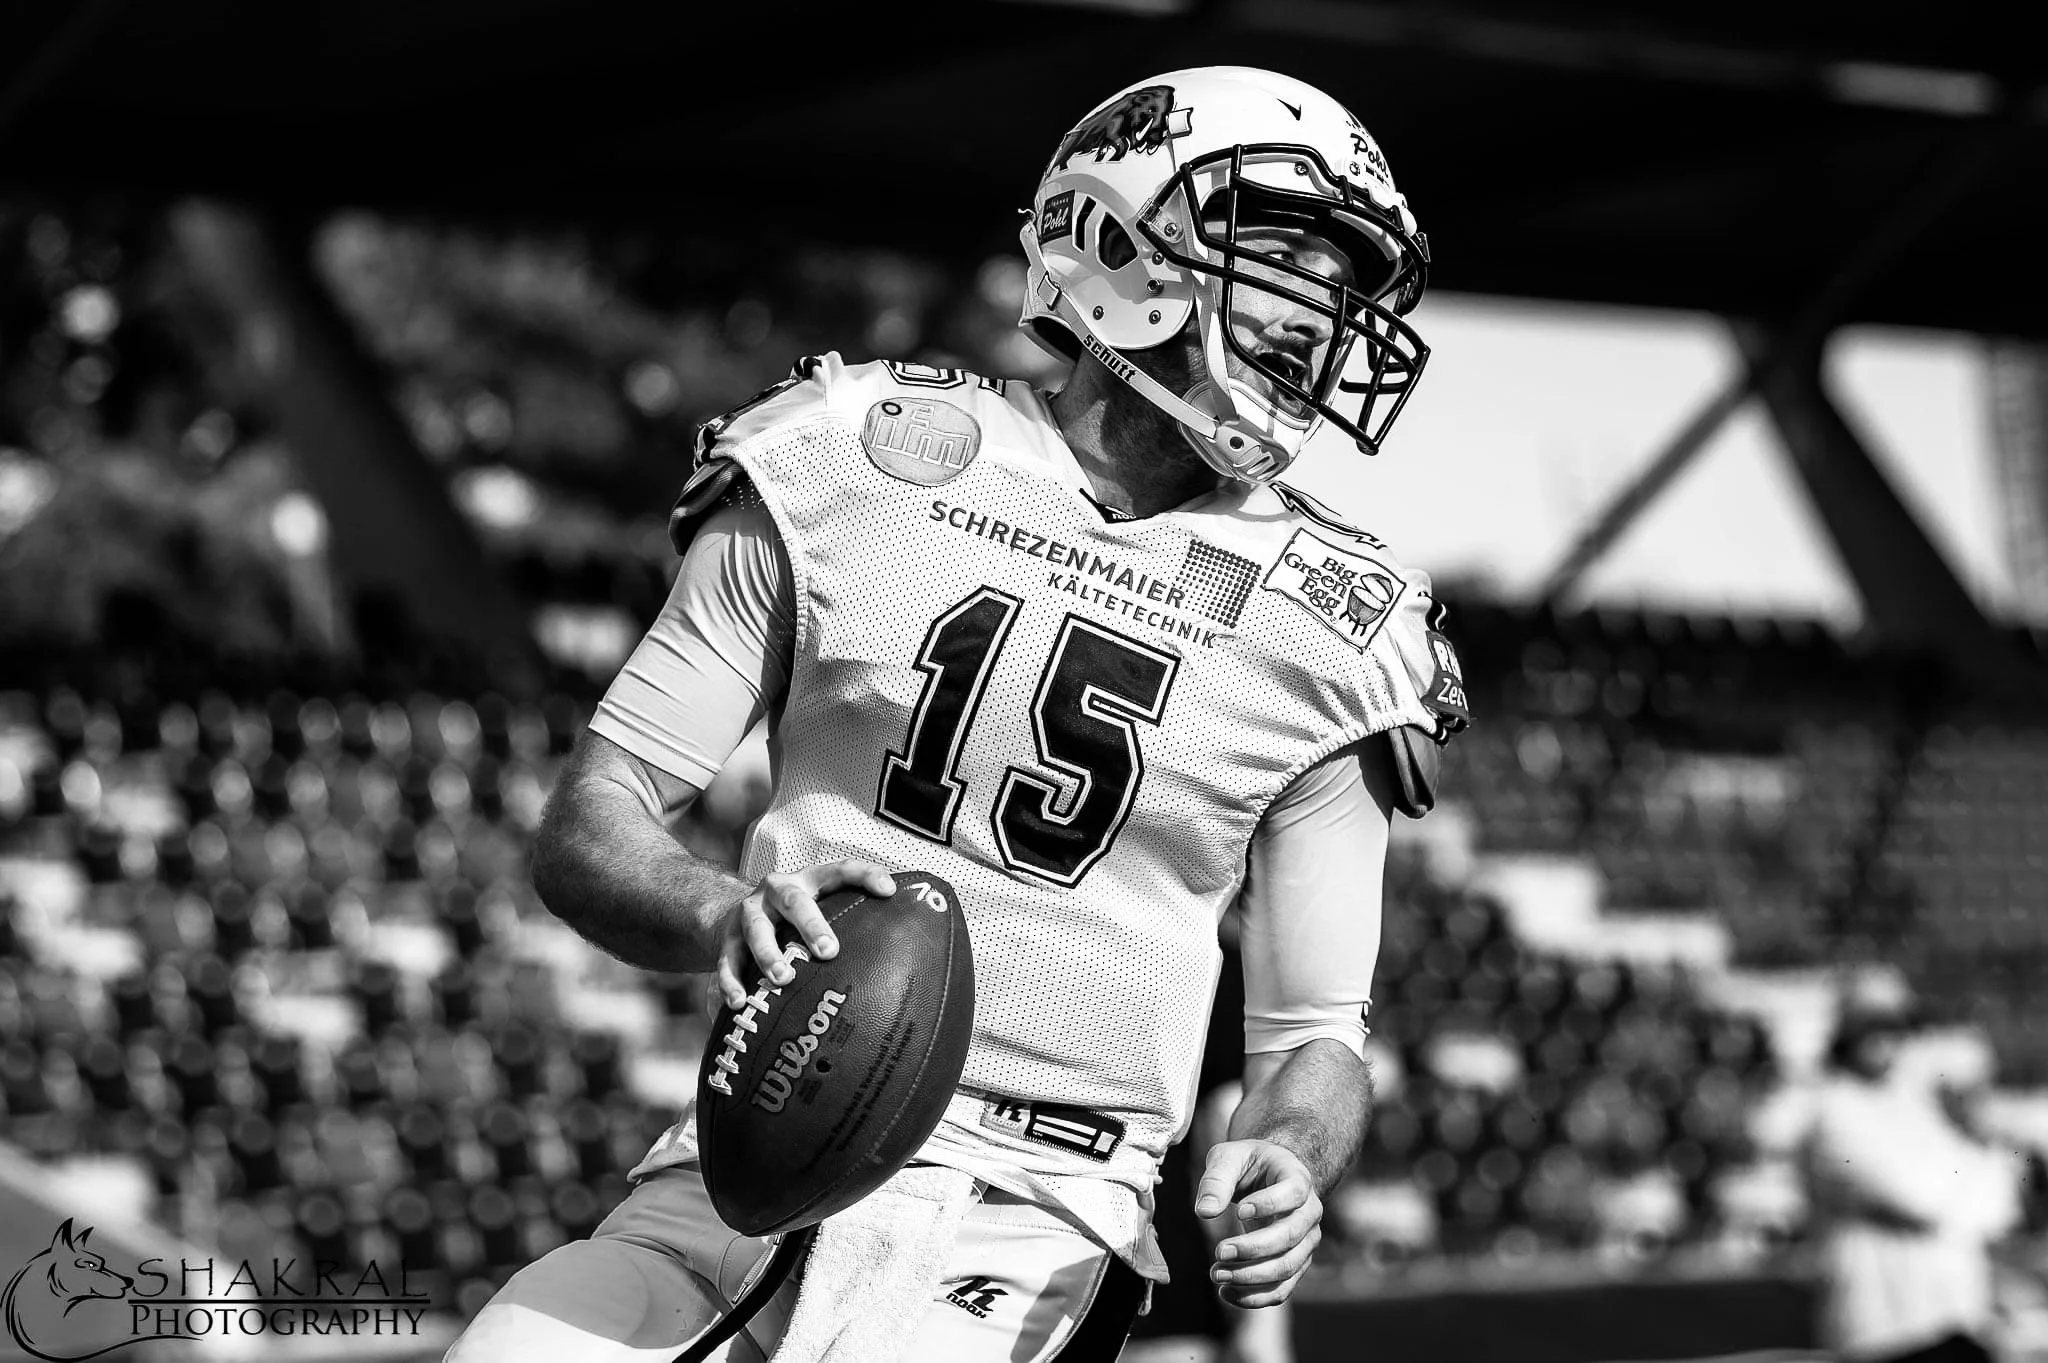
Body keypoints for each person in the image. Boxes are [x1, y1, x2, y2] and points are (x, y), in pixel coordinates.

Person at [446, 65, 1467, 1363]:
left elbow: (1316, 1035)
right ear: (1119, 238)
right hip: (759, 1136)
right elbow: (593, 817)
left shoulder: (1342, 613)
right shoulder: (849, 455)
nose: (1322, 317)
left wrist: (1291, 1153)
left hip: (1041, 1223)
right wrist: (718, 909)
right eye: (1283, 261)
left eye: (1340, 281)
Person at [1805, 978, 2032, 1363]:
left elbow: (1997, 1207)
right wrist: (1967, 1174)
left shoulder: (1918, 1106)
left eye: (1892, 1028)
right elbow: (1916, 1198)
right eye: (1870, 1028)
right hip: (1882, 1325)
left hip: (1957, 1312)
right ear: (1845, 1034)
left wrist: (1966, 1173)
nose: (1883, 1041)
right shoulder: (1831, 1115)